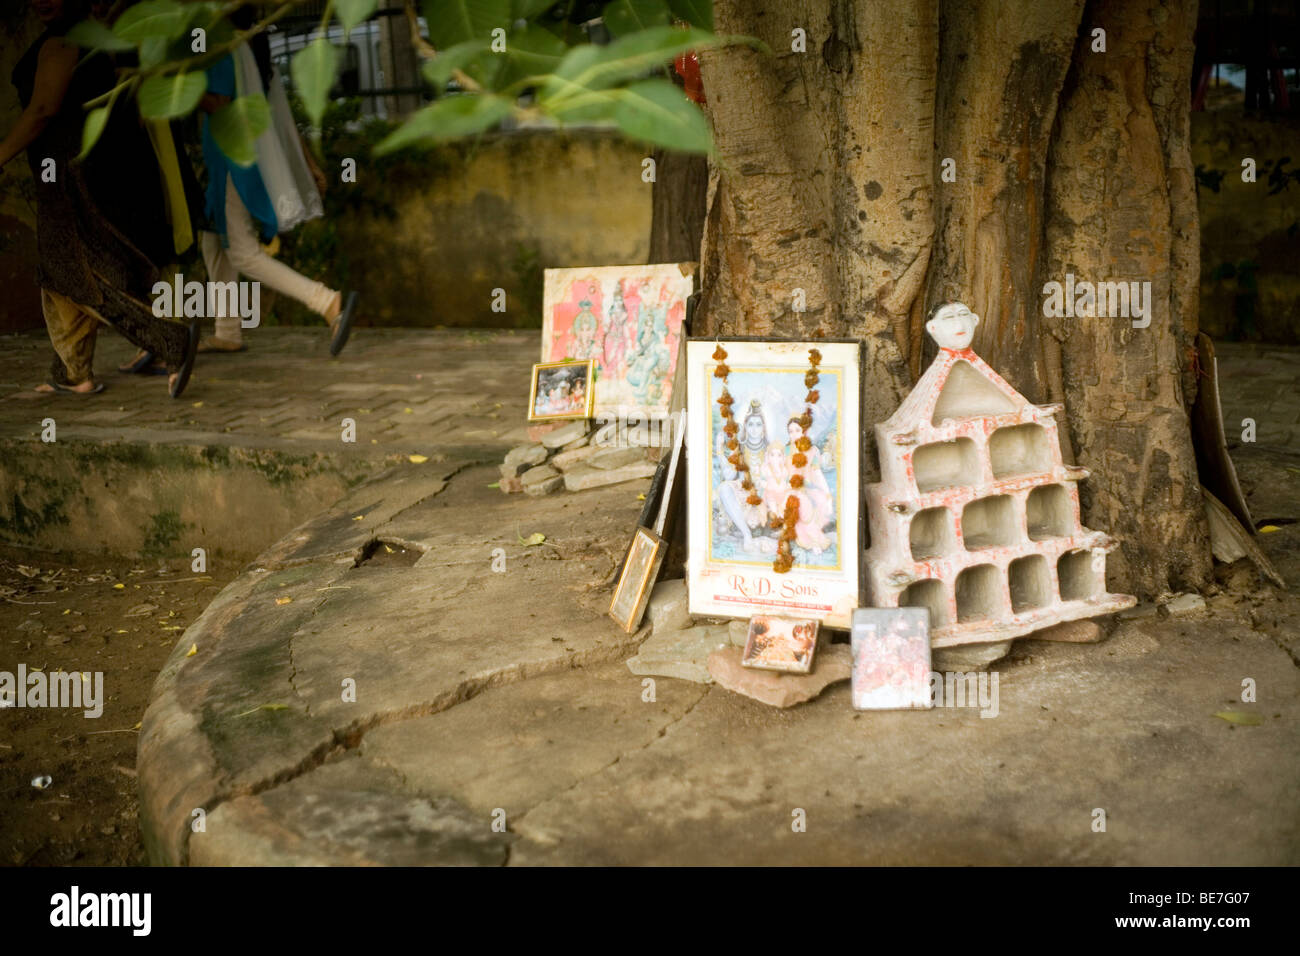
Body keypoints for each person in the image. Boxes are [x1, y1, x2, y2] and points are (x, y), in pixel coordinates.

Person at [0, 0, 199, 397]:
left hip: (67, 177)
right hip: (72, 170)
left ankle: (171, 341)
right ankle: (73, 371)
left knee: (81, 274)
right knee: (60, 272)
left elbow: (43, 108)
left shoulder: (64, 42)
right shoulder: (93, 38)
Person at [194, 14, 356, 356]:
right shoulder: (251, 46)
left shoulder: (223, 45)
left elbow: (218, 102)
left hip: (231, 162)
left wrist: (175, 90)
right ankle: (228, 330)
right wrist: (308, 162)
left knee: (242, 252)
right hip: (236, 160)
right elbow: (275, 115)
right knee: (212, 241)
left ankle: (326, 301)